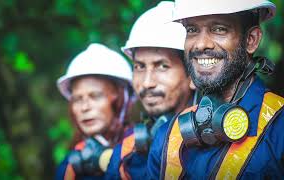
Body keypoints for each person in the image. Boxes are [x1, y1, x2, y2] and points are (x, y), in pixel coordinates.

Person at [147, 0, 284, 179]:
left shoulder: (279, 127)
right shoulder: (168, 135)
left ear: (251, 40)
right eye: (192, 30)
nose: (201, 44)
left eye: (219, 29)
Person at [105, 1, 194, 179]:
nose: (146, 83)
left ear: (193, 75)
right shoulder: (126, 151)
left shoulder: (219, 144)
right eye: (139, 67)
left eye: (162, 66)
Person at [55, 43, 135, 180]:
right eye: (77, 99)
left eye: (95, 96)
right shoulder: (69, 165)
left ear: (122, 99)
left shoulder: (145, 151)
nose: (84, 107)